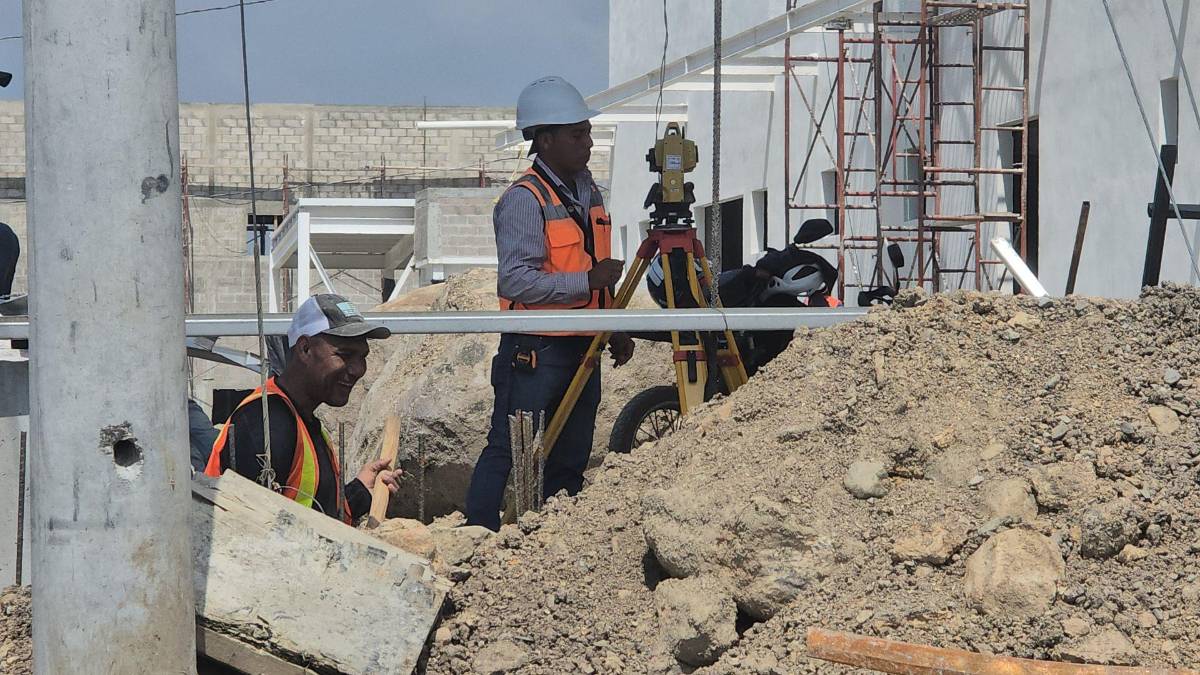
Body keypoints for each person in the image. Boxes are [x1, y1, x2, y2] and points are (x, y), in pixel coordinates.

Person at [465, 75, 635, 531]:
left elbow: (592, 264)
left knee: (571, 456)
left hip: (583, 344)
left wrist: (612, 324)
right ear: (545, 138)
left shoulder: (587, 189)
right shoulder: (525, 199)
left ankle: (556, 542)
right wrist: (587, 282)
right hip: (536, 352)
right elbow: (517, 281)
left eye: (587, 131)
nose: (589, 142)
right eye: (577, 134)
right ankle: (478, 533)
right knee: (509, 448)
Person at [203, 293, 400, 524]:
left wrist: (360, 491)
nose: (357, 369)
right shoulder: (266, 423)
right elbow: (248, 532)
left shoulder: (305, 423)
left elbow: (317, 516)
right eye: (345, 355)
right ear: (305, 348)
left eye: (362, 357)